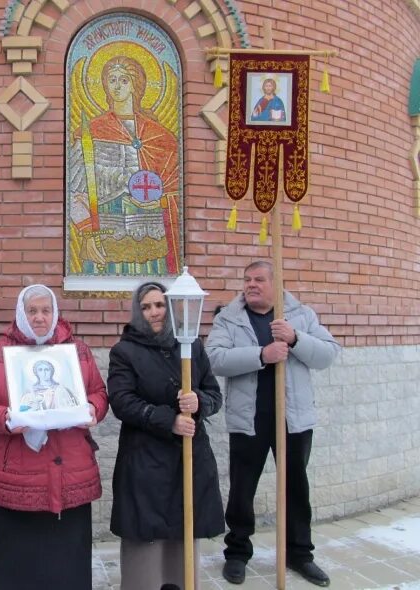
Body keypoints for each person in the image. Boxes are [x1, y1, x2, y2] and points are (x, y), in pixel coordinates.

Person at [0, 284, 108, 590]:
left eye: (46, 310)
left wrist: (93, 409)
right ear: (21, 314)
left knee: (66, 568)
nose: (39, 318)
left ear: (55, 313)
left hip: (70, 474)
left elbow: (98, 392)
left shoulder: (77, 352)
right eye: (32, 311)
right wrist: (5, 418)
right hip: (17, 476)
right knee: (18, 569)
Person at [206, 261, 341, 587]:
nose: (251, 285)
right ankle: (237, 553)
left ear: (276, 283)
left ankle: (300, 554)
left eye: (259, 279)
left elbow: (328, 354)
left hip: (293, 419)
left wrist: (295, 339)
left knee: (296, 488)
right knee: (242, 490)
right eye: (247, 279)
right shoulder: (229, 317)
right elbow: (213, 358)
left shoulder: (300, 315)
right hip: (249, 420)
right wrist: (261, 355)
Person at [107, 281, 224, 589]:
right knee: (146, 542)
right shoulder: (125, 351)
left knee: (182, 536)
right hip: (145, 460)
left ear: (170, 307)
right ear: (137, 311)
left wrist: (199, 401)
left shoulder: (191, 346)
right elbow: (122, 400)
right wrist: (168, 420)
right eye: (146, 307)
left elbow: (214, 393)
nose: (154, 312)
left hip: (187, 458)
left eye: (159, 305)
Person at [68, 55, 181, 275]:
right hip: (105, 235)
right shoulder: (90, 132)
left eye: (124, 80)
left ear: (135, 85)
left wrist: (161, 201)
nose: (117, 86)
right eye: (112, 80)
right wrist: (87, 235)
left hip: (149, 233)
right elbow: (74, 192)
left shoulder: (159, 136)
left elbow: (175, 188)